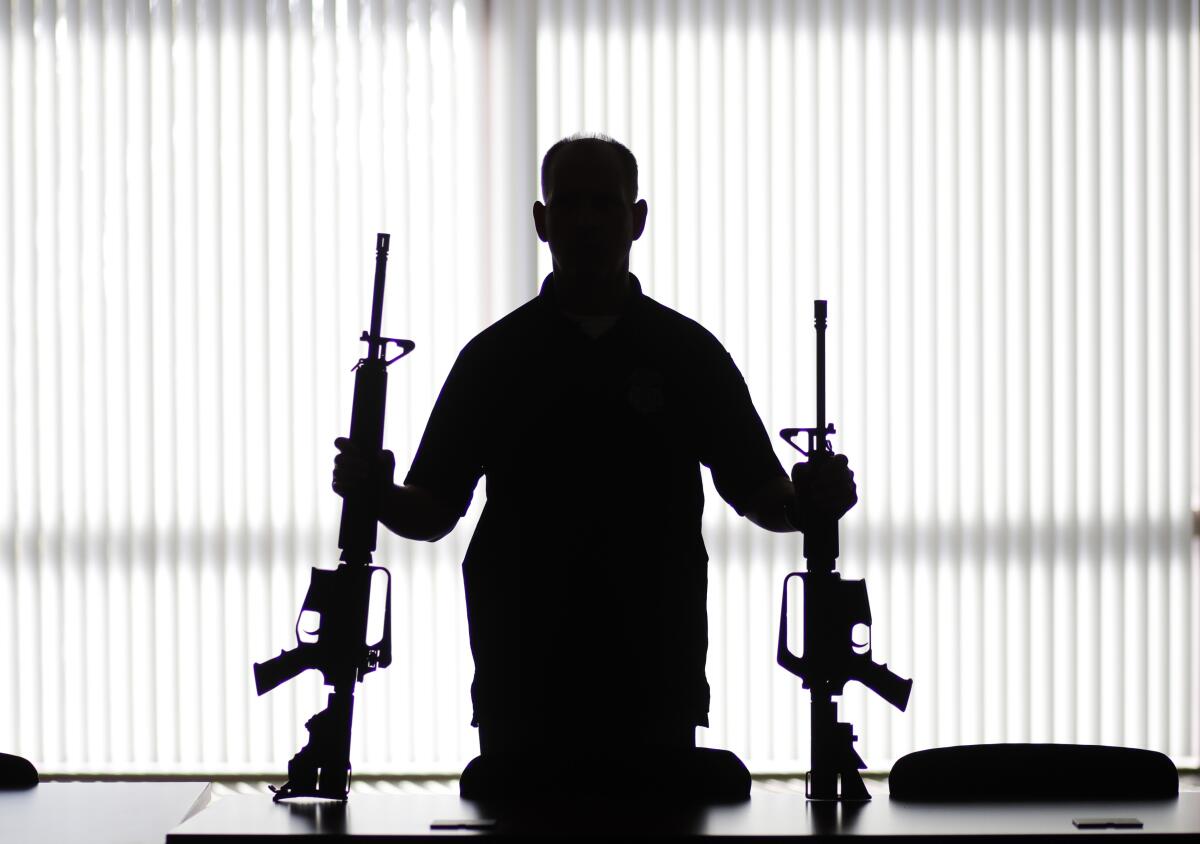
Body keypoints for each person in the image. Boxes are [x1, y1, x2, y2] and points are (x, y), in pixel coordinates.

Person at [332, 134, 856, 800]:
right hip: (523, 676)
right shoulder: (495, 358)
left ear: (636, 219)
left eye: (602, 205)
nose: (585, 221)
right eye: (569, 204)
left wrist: (810, 504)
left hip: (653, 676)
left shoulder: (687, 354)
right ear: (541, 220)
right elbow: (432, 511)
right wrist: (375, 493)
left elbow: (761, 494)